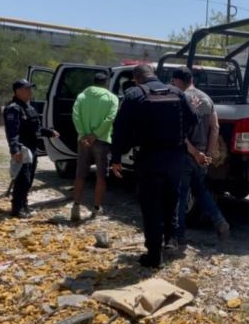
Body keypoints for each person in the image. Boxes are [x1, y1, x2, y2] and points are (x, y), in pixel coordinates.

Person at [110, 64, 197, 269]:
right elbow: (193, 119)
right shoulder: (176, 92)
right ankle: (170, 240)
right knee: (171, 199)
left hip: (149, 158)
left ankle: (154, 254)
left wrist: (116, 158)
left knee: (151, 205)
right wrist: (179, 136)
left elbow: (120, 129)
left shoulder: (133, 94)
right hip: (175, 157)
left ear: (136, 78)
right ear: (154, 75)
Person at [170, 67, 230, 247]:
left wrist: (195, 153)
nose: (173, 85)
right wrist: (208, 154)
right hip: (202, 156)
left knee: (180, 196)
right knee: (200, 191)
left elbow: (179, 132)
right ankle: (219, 221)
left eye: (174, 82)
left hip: (185, 155)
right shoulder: (207, 98)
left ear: (178, 81)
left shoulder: (180, 98)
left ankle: (178, 237)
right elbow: (215, 127)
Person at [3, 79, 59, 218]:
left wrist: (48, 132)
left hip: (32, 148)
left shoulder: (28, 107)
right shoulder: (14, 108)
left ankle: (24, 205)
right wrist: (15, 150)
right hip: (23, 149)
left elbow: (36, 128)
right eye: (27, 89)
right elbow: (12, 132)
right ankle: (17, 209)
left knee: (29, 178)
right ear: (18, 91)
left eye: (30, 88)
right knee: (23, 179)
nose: (30, 91)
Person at [71, 72, 119, 221]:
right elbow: (110, 118)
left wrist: (84, 134)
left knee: (80, 174)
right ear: (106, 83)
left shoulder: (81, 97)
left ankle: (76, 207)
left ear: (93, 82)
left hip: (83, 141)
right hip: (102, 140)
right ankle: (96, 208)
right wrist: (96, 135)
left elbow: (75, 115)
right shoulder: (112, 98)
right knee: (101, 176)